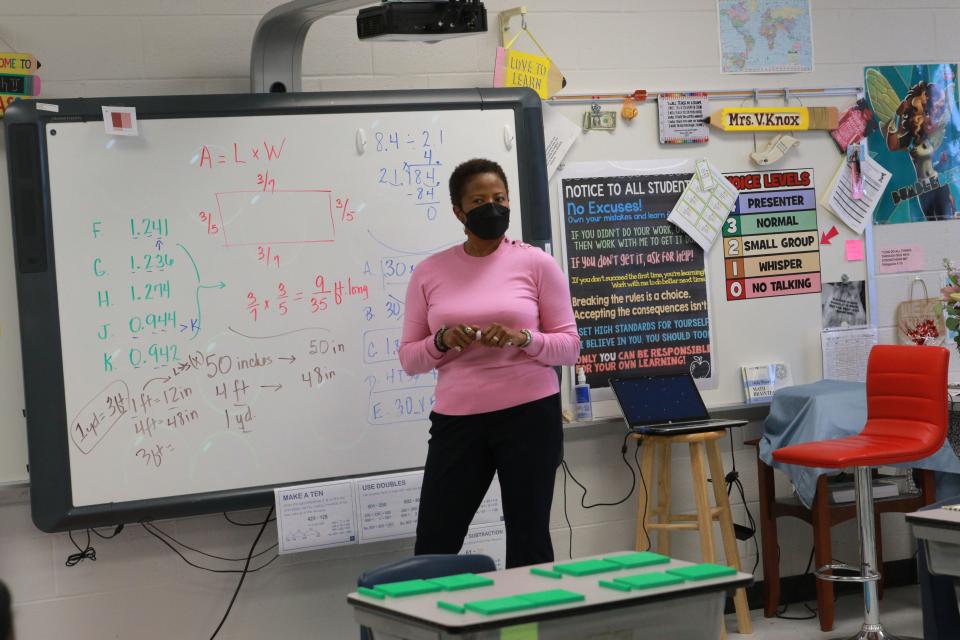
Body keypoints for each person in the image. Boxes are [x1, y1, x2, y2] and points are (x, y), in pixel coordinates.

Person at [399, 158, 580, 568]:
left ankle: (524, 634)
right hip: (458, 421)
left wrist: (525, 339)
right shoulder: (429, 272)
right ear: (458, 212)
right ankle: (438, 632)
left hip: (530, 417)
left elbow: (569, 347)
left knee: (528, 539)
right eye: (479, 201)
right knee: (435, 540)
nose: (492, 208)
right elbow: (410, 358)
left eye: (499, 198)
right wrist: (441, 341)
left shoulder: (536, 264)